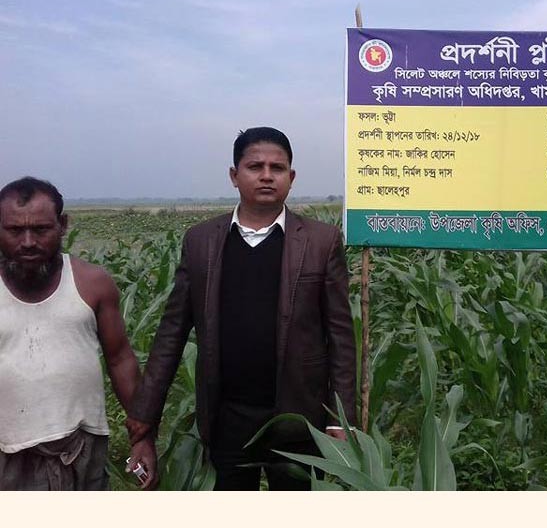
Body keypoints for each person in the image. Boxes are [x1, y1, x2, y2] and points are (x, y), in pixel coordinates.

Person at [126, 127, 357, 490]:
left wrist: (341, 420)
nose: (267, 175)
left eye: (277, 168)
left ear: (291, 178)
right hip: (228, 418)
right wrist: (143, 420)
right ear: (234, 175)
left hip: (300, 418)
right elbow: (171, 335)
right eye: (255, 166)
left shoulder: (320, 242)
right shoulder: (201, 242)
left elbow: (341, 339)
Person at [0, 177, 141, 490]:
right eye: (13, 230)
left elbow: (120, 360)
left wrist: (142, 434)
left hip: (80, 450)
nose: (27, 242)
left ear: (62, 225)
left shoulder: (92, 283)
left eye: (40, 229)